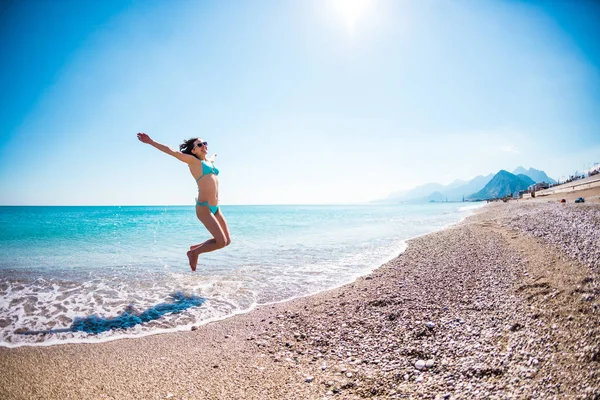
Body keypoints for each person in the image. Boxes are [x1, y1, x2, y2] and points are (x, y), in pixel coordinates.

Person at [137, 132, 231, 271]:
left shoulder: (208, 162)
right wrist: (151, 141)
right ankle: (194, 253)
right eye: (200, 145)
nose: (204, 146)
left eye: (205, 143)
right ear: (193, 150)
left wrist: (214, 155)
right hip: (204, 208)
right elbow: (172, 151)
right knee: (221, 242)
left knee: (227, 241)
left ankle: (197, 248)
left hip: (215, 207)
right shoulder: (193, 161)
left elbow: (211, 158)